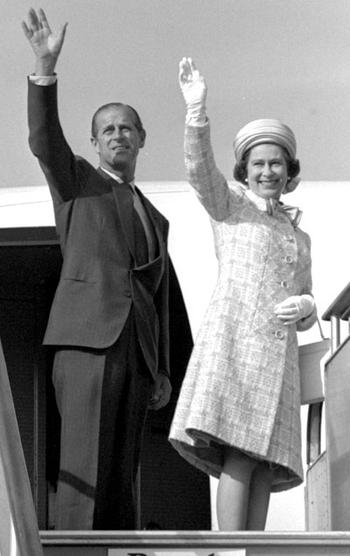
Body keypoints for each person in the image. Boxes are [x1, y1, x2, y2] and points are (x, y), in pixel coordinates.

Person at [22, 8, 172, 530]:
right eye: (107, 129)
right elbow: (44, 140)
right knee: (83, 471)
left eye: (127, 128)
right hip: (86, 343)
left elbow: (159, 298)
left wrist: (161, 368)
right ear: (94, 143)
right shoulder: (78, 183)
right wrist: (45, 69)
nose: (117, 135)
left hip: (136, 357)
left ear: (142, 138)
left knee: (120, 480)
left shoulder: (156, 216)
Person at [169, 58, 317, 531]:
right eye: (258, 163)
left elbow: (306, 296)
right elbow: (199, 172)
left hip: (280, 364)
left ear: (289, 170)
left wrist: (308, 307)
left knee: (261, 463)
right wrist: (197, 112)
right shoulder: (230, 206)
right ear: (245, 170)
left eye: (276, 163)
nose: (267, 171)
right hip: (237, 348)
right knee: (237, 453)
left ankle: (252, 548)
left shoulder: (299, 236)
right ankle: (232, 548)